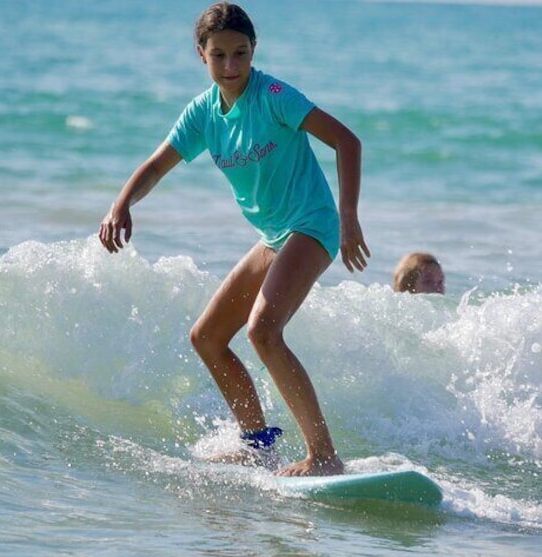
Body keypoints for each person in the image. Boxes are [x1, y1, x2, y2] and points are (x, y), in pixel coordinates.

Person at [98, 2, 369, 477]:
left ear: (253, 51)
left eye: (240, 54)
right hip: (273, 235)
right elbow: (157, 165)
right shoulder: (203, 113)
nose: (230, 67)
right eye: (219, 55)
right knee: (206, 337)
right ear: (200, 54)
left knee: (263, 331)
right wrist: (122, 204)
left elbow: (348, 141)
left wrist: (348, 217)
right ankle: (257, 445)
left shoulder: (275, 96)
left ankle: (324, 456)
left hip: (312, 224)